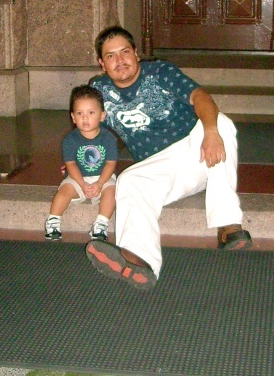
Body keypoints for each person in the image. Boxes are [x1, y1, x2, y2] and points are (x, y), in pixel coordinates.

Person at [85, 25, 252, 291]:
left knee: (220, 122)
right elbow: (93, 134)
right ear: (101, 63)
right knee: (129, 180)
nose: (120, 60)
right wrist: (83, 165)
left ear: (136, 54)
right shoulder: (99, 91)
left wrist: (209, 131)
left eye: (125, 52)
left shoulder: (161, 72)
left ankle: (228, 225)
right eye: (111, 56)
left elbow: (200, 97)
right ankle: (139, 260)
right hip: (159, 169)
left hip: (197, 154)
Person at [45, 84, 118, 242]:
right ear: (73, 117)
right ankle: (53, 220)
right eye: (80, 113)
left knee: (112, 192)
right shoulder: (70, 139)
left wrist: (99, 183)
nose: (85, 118)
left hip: (102, 177)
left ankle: (101, 223)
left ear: (102, 115)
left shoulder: (109, 139)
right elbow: (71, 164)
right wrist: (82, 184)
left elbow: (110, 164)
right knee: (64, 190)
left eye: (91, 113)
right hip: (78, 176)